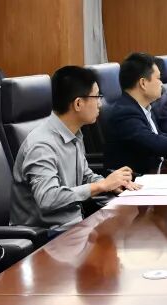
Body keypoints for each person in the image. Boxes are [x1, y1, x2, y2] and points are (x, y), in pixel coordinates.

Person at [10, 66, 137, 233]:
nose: (100, 103)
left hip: (74, 227)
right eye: (97, 96)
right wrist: (101, 185)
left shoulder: (74, 133)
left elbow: (84, 176)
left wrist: (112, 184)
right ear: (78, 103)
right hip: (47, 236)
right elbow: (48, 198)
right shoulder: (41, 145)